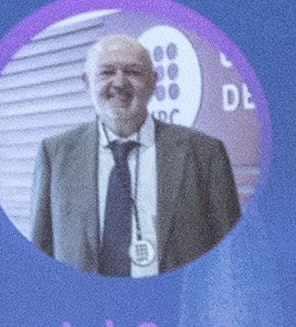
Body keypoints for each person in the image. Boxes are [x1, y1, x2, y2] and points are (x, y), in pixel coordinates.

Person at [21, 34, 242, 277]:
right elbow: (40, 256)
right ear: (87, 82)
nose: (119, 83)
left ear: (153, 82)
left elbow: (231, 257)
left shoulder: (204, 154)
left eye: (133, 72)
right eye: (106, 72)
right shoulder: (54, 155)